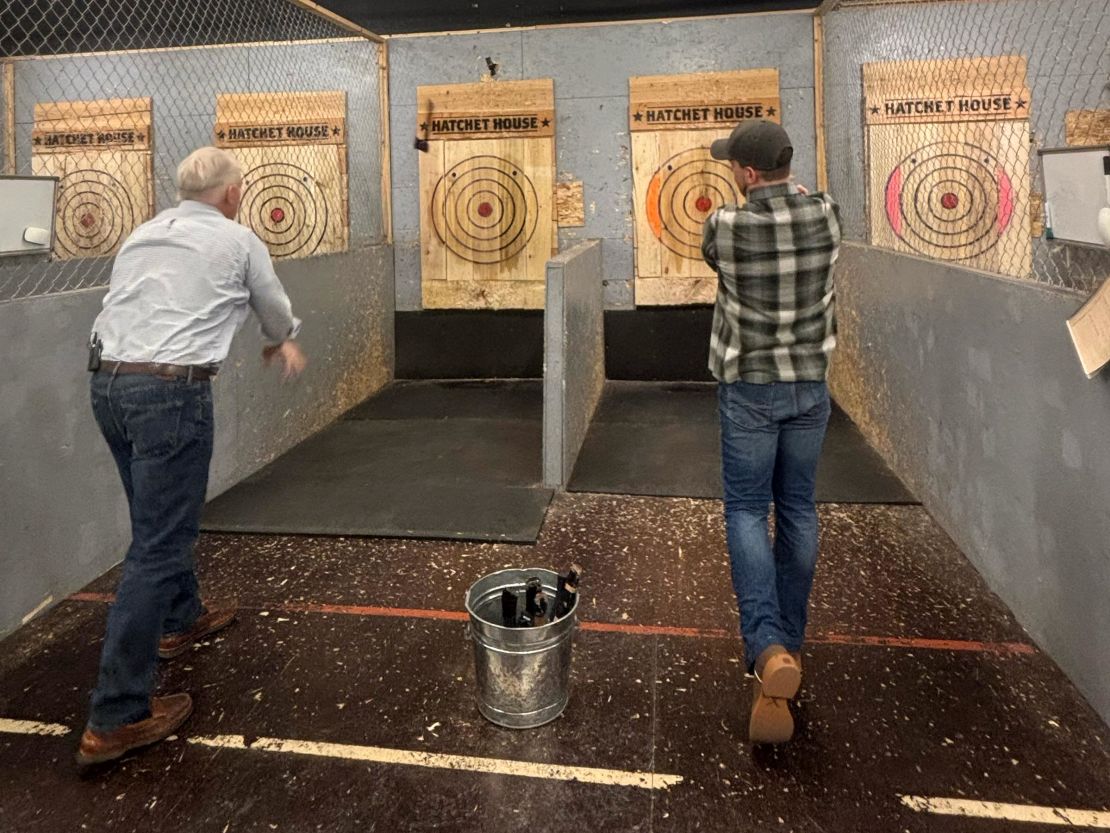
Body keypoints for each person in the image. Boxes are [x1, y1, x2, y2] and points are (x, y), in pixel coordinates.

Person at [76, 147, 307, 769]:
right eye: (239, 190)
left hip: (108, 385)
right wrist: (282, 341)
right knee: (159, 545)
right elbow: (275, 309)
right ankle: (116, 715)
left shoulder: (143, 232)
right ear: (231, 194)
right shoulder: (238, 239)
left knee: (156, 523)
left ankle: (181, 620)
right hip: (169, 393)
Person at [702, 120, 842, 744]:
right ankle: (789, 643)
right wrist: (799, 197)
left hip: (750, 390)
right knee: (799, 510)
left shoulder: (726, 229)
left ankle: (765, 646)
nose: (732, 170)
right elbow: (811, 203)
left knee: (747, 510)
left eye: (736, 165)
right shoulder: (827, 217)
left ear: (749, 174)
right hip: (809, 388)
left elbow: (716, 248)